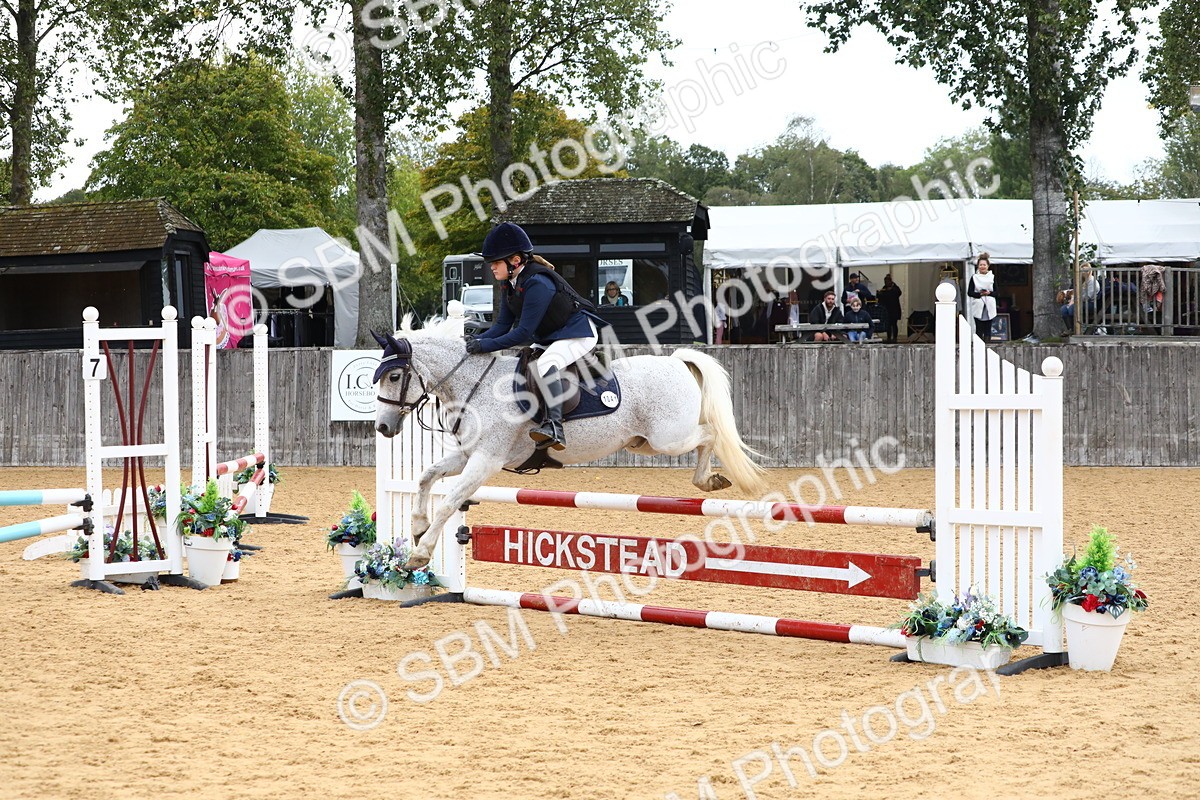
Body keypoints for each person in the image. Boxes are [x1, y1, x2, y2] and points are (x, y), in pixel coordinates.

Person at [466, 222, 606, 451]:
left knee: (546, 363)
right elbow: (502, 326)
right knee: (523, 363)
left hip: (577, 333)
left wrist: (484, 346)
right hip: (552, 336)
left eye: (495, 262)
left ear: (515, 261)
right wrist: (476, 341)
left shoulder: (538, 283)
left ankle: (555, 427)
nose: (491, 267)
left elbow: (522, 333)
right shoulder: (509, 284)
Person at [966, 253, 997, 341]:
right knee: (979, 328)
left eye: (984, 265)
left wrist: (989, 293)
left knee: (988, 328)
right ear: (978, 266)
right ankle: (978, 344)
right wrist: (979, 294)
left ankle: (988, 344)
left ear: (988, 266)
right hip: (978, 304)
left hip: (989, 304)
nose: (982, 267)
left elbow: (997, 293)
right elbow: (970, 292)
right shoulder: (974, 277)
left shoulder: (992, 277)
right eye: (980, 265)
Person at [876, 274, 902, 342]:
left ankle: (895, 338)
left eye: (887, 281)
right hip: (887, 309)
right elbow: (881, 297)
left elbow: (898, 293)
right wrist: (878, 293)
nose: (886, 283)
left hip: (894, 309)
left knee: (894, 324)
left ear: (890, 281)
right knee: (888, 324)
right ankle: (889, 337)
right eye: (885, 282)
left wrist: (889, 291)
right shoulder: (884, 288)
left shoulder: (895, 288)